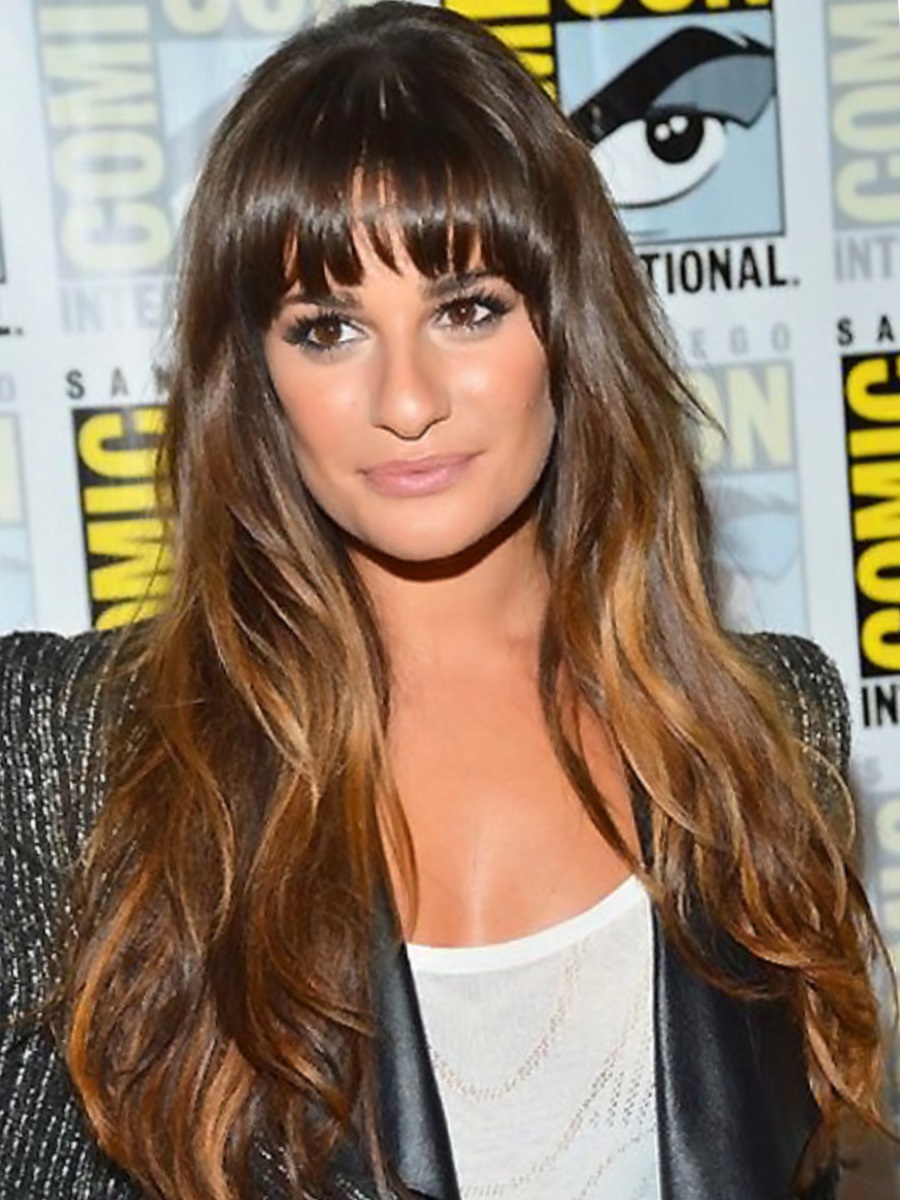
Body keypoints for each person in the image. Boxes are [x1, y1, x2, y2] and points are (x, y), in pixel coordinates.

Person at [0, 4, 891, 1199]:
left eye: (468, 308)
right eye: (328, 329)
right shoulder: (81, 751)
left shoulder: (768, 737)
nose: (407, 400)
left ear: (567, 329)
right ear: (255, 376)